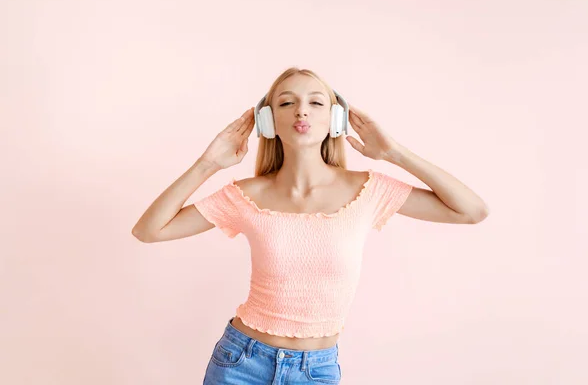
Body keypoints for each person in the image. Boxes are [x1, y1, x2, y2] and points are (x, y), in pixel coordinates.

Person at [132, 67, 490, 384]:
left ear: (336, 119)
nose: (301, 110)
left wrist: (394, 153)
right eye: (287, 103)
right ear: (268, 121)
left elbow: (471, 211)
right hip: (240, 362)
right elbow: (148, 231)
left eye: (316, 102)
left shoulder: (369, 190)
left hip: (316, 370)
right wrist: (207, 163)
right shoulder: (245, 195)